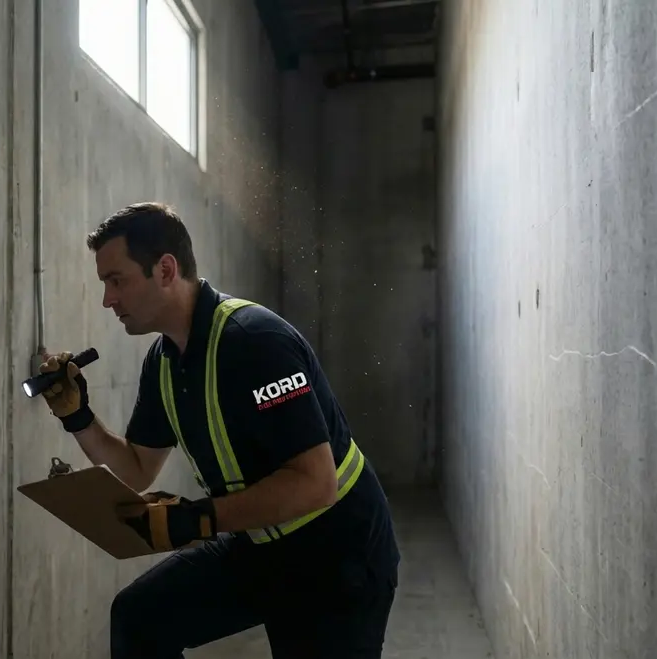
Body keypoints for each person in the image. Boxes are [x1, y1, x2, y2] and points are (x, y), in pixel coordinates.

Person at [36, 202, 401, 658]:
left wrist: (199, 518)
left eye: (117, 281)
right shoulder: (164, 361)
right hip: (262, 544)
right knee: (139, 618)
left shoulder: (256, 343)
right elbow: (136, 469)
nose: (108, 300)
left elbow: (316, 483)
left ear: (165, 270)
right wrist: (77, 416)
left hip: (338, 555)